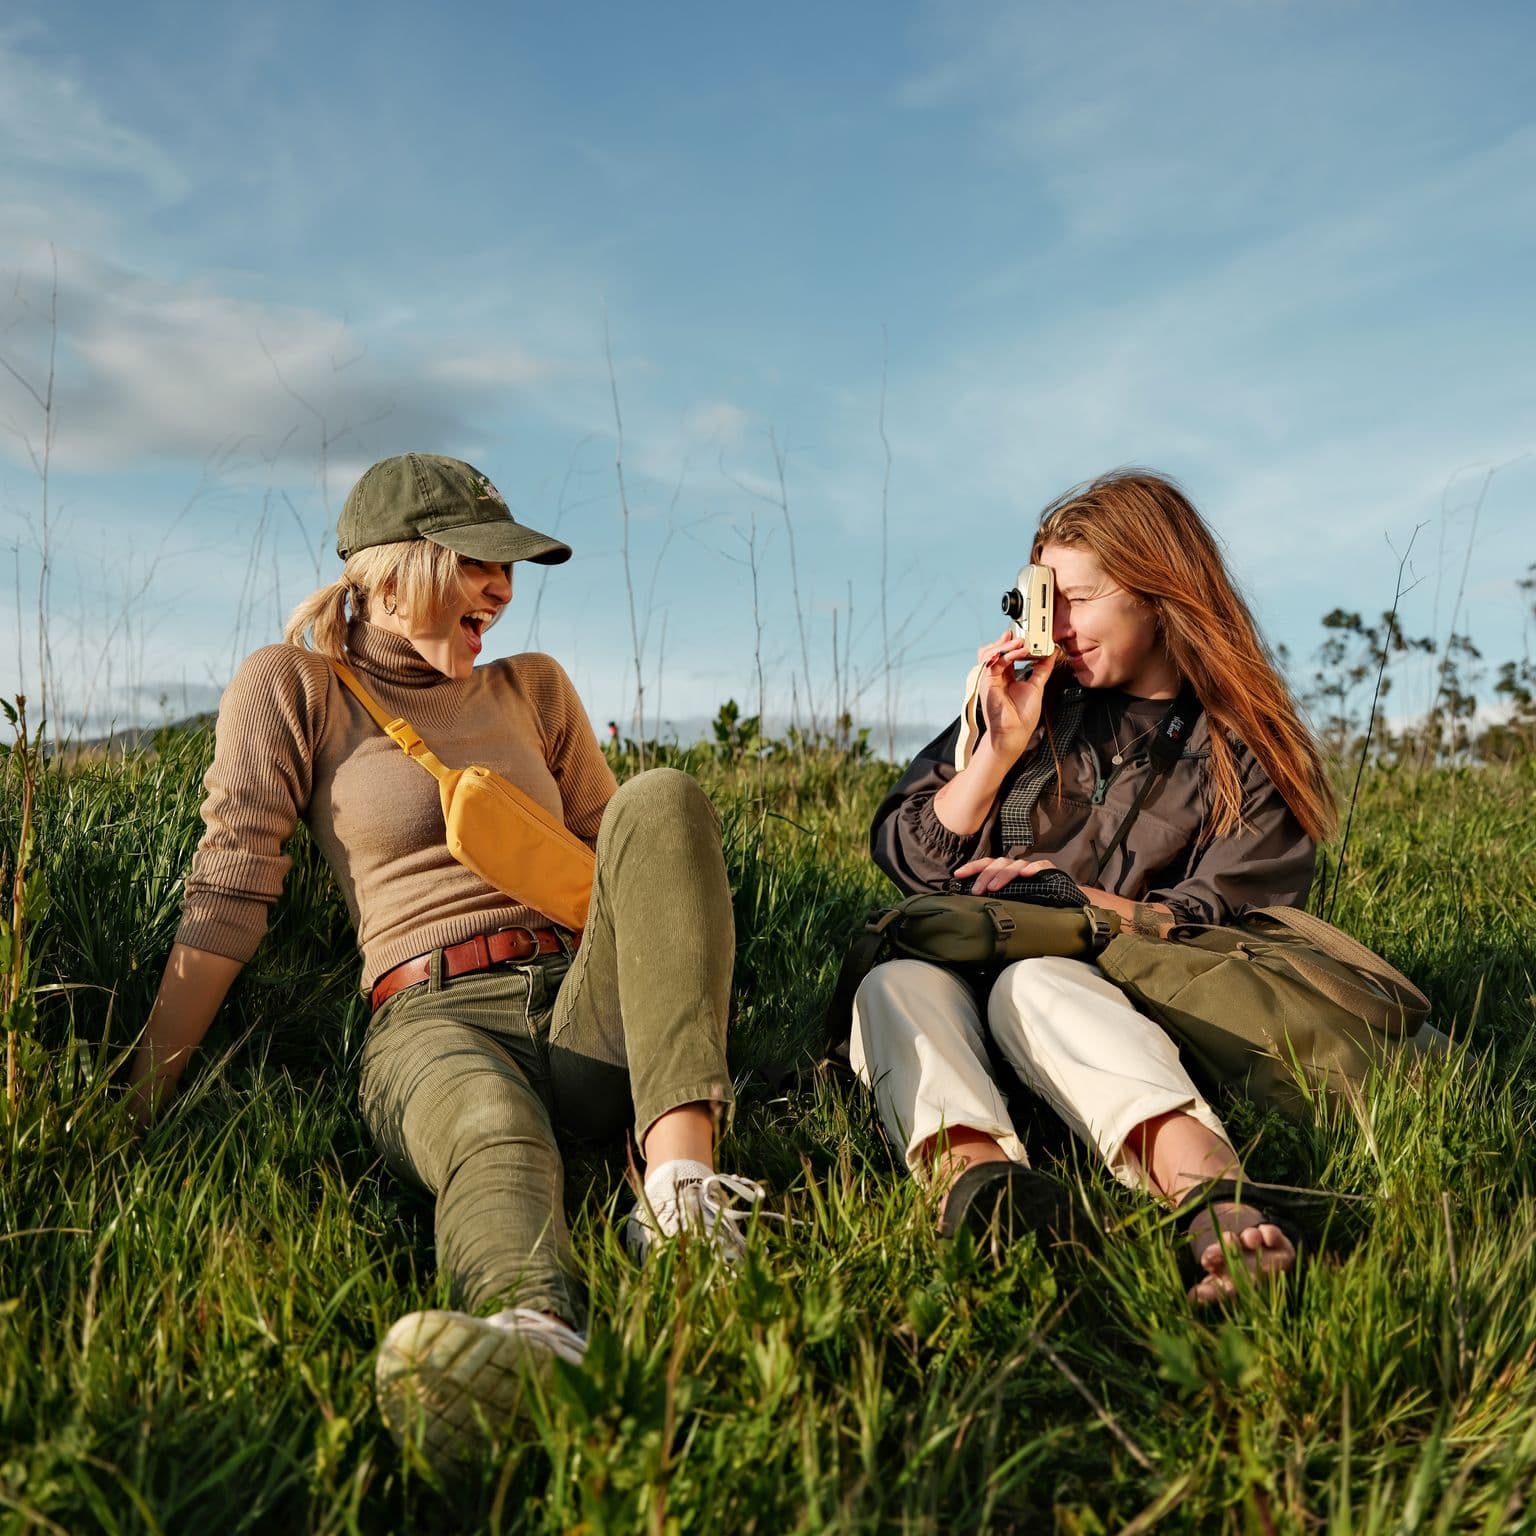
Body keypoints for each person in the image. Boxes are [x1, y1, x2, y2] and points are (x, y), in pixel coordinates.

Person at [128, 453, 766, 1460]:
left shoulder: (535, 687)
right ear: (389, 572)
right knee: (489, 1128)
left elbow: (633, 867)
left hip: (584, 1005)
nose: (503, 587)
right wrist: (138, 1096)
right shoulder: (296, 686)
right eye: (477, 562)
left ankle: (683, 1202)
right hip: (430, 1018)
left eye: (510, 568)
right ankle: (530, 1339)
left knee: (662, 801)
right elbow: (232, 886)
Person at [850, 470, 1337, 1304]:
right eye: (1043, 602)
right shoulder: (1030, 703)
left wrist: (1077, 903)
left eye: (1079, 599)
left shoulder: (1238, 742)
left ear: (1158, 591)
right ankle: (987, 1196)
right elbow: (914, 865)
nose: (1059, 628)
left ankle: (1216, 1199)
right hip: (960, 983)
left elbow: (1225, 915)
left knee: (1036, 983)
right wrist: (999, 749)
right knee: (892, 980)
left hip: (1108, 1005)